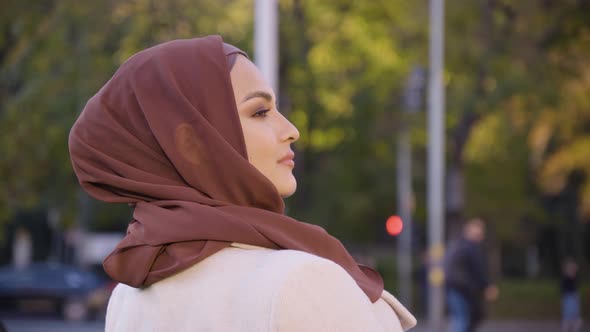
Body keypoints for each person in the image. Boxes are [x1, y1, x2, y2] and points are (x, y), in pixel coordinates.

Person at [68, 36, 416, 331]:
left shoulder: (130, 294)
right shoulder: (299, 281)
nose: (291, 130)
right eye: (260, 112)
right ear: (192, 144)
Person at [444, 218, 498, 332]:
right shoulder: (471, 248)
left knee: (461, 319)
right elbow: (478, 270)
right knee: (462, 320)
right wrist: (486, 286)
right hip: (463, 290)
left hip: (455, 288)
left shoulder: (457, 245)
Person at [560, 258, 582, 332]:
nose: (574, 272)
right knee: (568, 318)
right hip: (568, 299)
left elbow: (576, 289)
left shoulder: (574, 279)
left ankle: (572, 328)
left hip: (573, 299)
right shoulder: (566, 279)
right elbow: (563, 290)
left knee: (575, 319)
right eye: (572, 270)